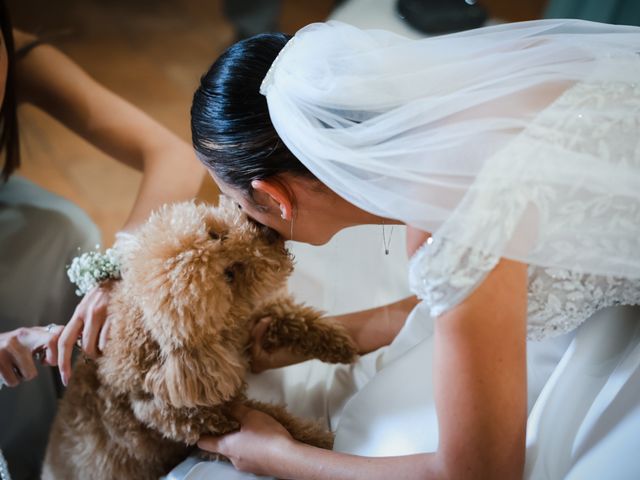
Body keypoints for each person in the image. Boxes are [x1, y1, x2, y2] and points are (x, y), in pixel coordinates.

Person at [187, 19, 640, 479]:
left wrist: (276, 456)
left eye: (239, 203)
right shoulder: (464, 108)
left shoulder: (451, 219)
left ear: (274, 198)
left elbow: (480, 473)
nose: (239, 218)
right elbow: (466, 302)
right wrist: (307, 340)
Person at [0, 0, 204, 476]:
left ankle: (56, 437)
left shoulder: (24, 57)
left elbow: (174, 156)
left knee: (61, 231)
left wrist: (116, 268)